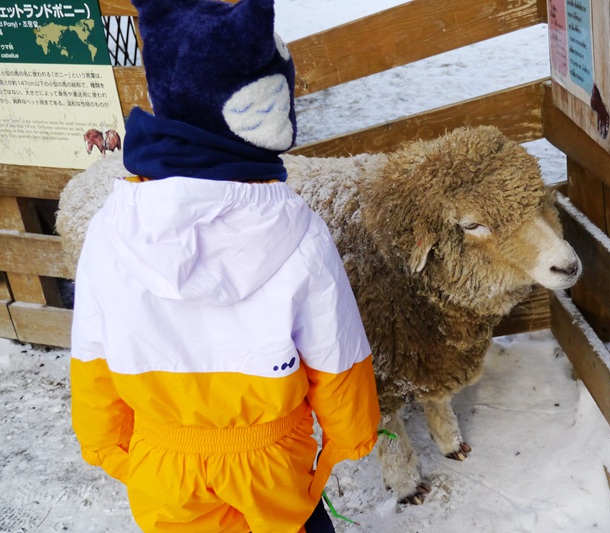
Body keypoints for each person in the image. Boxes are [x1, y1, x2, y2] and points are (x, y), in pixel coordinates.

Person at [69, 0, 380, 531]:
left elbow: (93, 351)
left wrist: (106, 443)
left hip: (162, 457)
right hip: (271, 457)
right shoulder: (298, 229)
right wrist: (351, 435)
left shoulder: (111, 229)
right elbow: (335, 347)